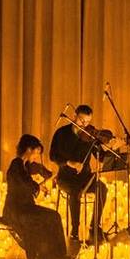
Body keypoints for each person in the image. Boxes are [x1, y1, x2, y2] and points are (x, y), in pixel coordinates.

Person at [3, 134, 66, 259]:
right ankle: (50, 255)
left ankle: (55, 256)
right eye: (36, 152)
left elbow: (29, 178)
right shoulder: (16, 164)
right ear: (28, 149)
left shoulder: (24, 165)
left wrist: (45, 178)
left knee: (54, 216)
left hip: (25, 207)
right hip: (17, 210)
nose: (37, 156)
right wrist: (37, 187)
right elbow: (24, 182)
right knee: (50, 217)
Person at [50, 104, 110, 243]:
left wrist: (106, 152)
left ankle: (94, 225)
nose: (85, 125)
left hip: (85, 176)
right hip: (66, 177)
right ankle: (75, 229)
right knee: (75, 191)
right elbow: (53, 156)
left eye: (88, 122)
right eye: (82, 121)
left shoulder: (90, 134)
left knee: (102, 188)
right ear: (74, 116)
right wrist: (69, 163)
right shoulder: (61, 133)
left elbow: (99, 154)